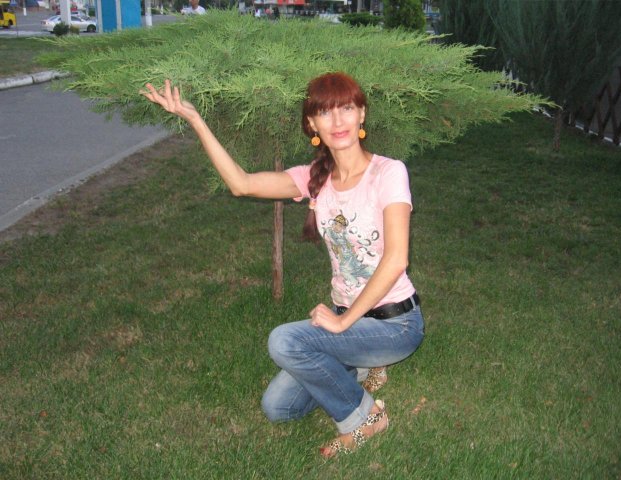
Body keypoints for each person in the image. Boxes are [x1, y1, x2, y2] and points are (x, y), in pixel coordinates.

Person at [140, 72, 424, 458]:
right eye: (324, 112)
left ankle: (365, 417)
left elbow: (396, 259)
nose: (337, 121)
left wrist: (343, 323)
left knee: (285, 341)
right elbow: (241, 184)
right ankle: (359, 367)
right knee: (279, 408)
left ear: (361, 115)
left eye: (346, 109)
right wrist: (195, 119)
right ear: (312, 124)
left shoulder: (388, 173)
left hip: (395, 325)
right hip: (348, 322)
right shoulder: (314, 179)